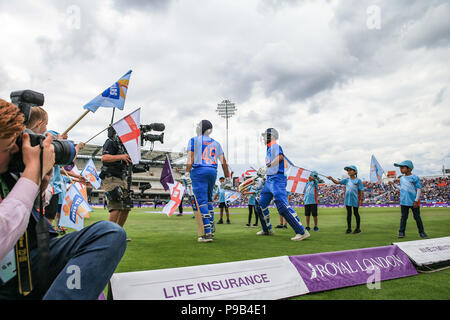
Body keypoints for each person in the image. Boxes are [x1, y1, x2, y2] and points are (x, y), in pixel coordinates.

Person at [0, 98, 126, 299]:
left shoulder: (6, 171)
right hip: (6, 272)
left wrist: (37, 185)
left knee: (109, 233)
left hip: (28, 259)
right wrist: (32, 174)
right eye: (7, 148)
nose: (16, 151)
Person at [257, 128, 310, 241]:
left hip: (277, 179)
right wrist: (265, 171)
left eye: (266, 135)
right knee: (260, 205)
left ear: (272, 136)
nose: (264, 138)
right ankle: (267, 229)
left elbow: (280, 158)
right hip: (270, 179)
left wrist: (268, 167)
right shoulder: (269, 149)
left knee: (282, 204)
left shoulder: (275, 146)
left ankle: (301, 231)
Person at [183, 120, 230, 242]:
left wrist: (187, 172)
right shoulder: (216, 143)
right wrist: (228, 177)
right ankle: (211, 226)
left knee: (201, 201)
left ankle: (206, 233)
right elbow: (224, 162)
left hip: (199, 171)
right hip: (212, 172)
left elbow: (191, 157)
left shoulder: (194, 140)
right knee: (208, 200)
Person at [100, 126, 132, 239]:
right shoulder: (110, 142)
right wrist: (121, 156)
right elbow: (104, 158)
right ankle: (109, 235)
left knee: (126, 206)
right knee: (116, 205)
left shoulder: (122, 146)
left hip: (122, 177)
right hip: (111, 177)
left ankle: (118, 233)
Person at [389, 160, 428, 239]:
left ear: (409, 168)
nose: (400, 169)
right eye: (400, 168)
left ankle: (422, 232)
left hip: (414, 201)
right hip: (404, 201)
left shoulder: (415, 177)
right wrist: (394, 185)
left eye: (402, 168)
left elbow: (418, 189)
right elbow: (402, 188)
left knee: (417, 217)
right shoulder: (402, 178)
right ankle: (401, 232)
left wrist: (416, 200)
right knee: (403, 217)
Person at [328, 165, 364, 234]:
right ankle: (349, 229)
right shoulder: (346, 180)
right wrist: (331, 178)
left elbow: (361, 190)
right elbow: (337, 182)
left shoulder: (358, 180)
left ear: (355, 172)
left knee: (356, 213)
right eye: (348, 170)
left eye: (350, 170)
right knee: (349, 214)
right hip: (348, 199)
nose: (348, 171)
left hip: (355, 199)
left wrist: (361, 200)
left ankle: (358, 228)